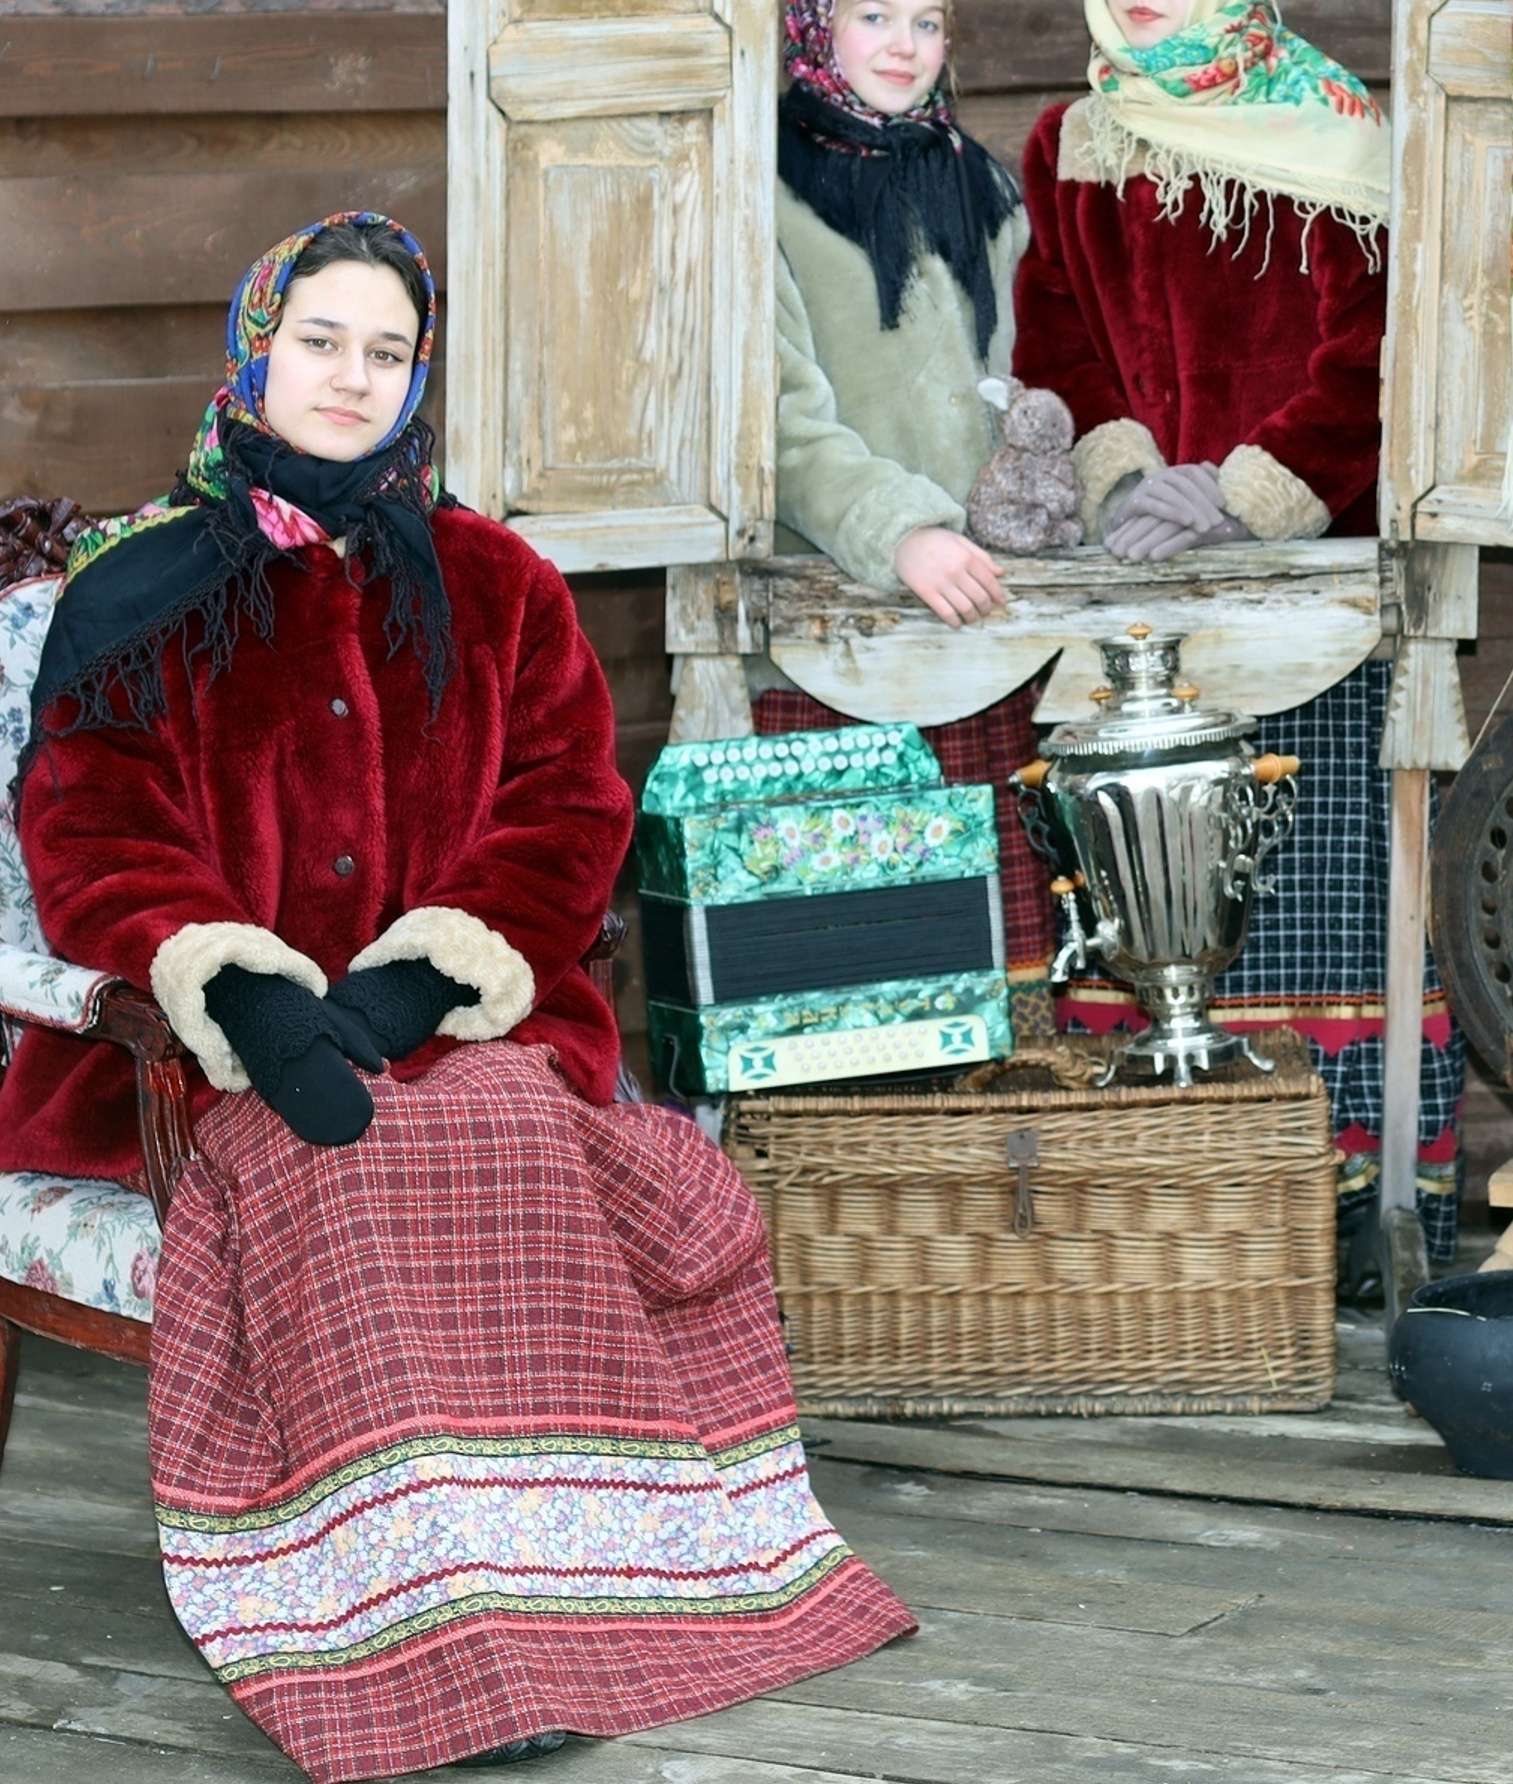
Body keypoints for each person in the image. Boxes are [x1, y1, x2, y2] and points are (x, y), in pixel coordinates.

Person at [0, 214, 911, 1778]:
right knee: (340, 1157)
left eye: (386, 353)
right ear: (256, 352)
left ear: (418, 380)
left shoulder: (497, 581)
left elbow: (566, 808)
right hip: (219, 1061)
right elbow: (91, 833)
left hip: (461, 1027)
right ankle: (418, 1620)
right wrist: (246, 995)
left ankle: (569, 1591)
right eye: (320, 342)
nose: (351, 378)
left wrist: (426, 979)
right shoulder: (134, 593)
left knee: (497, 1131)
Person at [1015, 0, 1467, 1263]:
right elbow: (1059, 339)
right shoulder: (1073, 142)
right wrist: (1124, 479)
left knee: (1316, 886)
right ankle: (1168, 1211)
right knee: (1141, 888)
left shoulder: (1329, 128)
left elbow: (1373, 354)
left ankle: (1345, 1208)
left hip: (1303, 589)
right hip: (1144, 584)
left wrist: (1242, 489)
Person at [758, 0, 1053, 1038]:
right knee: (868, 985)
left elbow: (1015, 386)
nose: (902, 45)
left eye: (927, 23)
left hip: (984, 641)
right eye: (874, 16)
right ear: (816, 20)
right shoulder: (766, 189)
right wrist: (901, 529)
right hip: (838, 645)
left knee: (999, 992)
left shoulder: (982, 192)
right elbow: (780, 421)